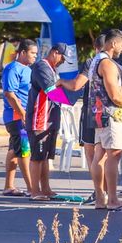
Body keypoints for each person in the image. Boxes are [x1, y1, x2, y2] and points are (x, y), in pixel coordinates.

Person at [82, 30, 122, 211]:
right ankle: (113, 199)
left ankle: (101, 199)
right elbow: (115, 96)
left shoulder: (95, 61)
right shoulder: (107, 63)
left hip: (98, 113)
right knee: (113, 156)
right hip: (110, 114)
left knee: (99, 156)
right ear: (113, 44)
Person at [24, 43, 87, 202]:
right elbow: (51, 91)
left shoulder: (51, 70)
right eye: (62, 57)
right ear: (55, 53)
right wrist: (71, 90)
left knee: (46, 156)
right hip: (40, 119)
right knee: (37, 156)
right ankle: (35, 191)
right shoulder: (41, 67)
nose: (62, 61)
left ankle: (46, 189)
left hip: (50, 119)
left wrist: (70, 88)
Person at [0, 41, 36, 197]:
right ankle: (31, 187)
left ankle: (9, 186)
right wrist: (22, 113)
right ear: (22, 52)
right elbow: (10, 93)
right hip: (16, 117)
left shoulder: (27, 69)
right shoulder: (13, 69)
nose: (35, 56)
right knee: (24, 151)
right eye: (32, 53)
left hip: (23, 116)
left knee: (14, 150)